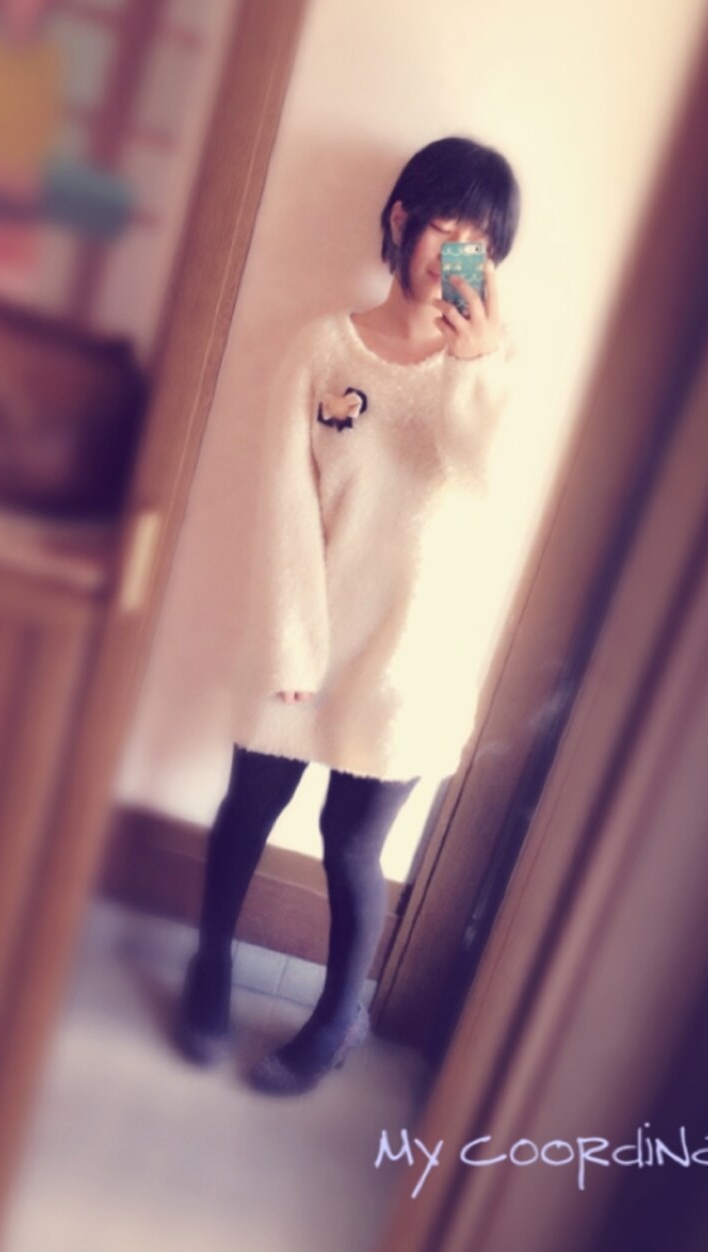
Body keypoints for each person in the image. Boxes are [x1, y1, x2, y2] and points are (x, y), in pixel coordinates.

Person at [177, 137, 521, 1095]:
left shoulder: (492, 372)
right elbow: (283, 506)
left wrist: (475, 365)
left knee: (352, 845)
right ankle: (210, 964)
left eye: (481, 244)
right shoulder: (323, 348)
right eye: (445, 228)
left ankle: (338, 1016)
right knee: (251, 805)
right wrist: (292, 643)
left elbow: (489, 485)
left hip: (413, 653)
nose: (456, 255)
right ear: (402, 220)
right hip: (308, 631)